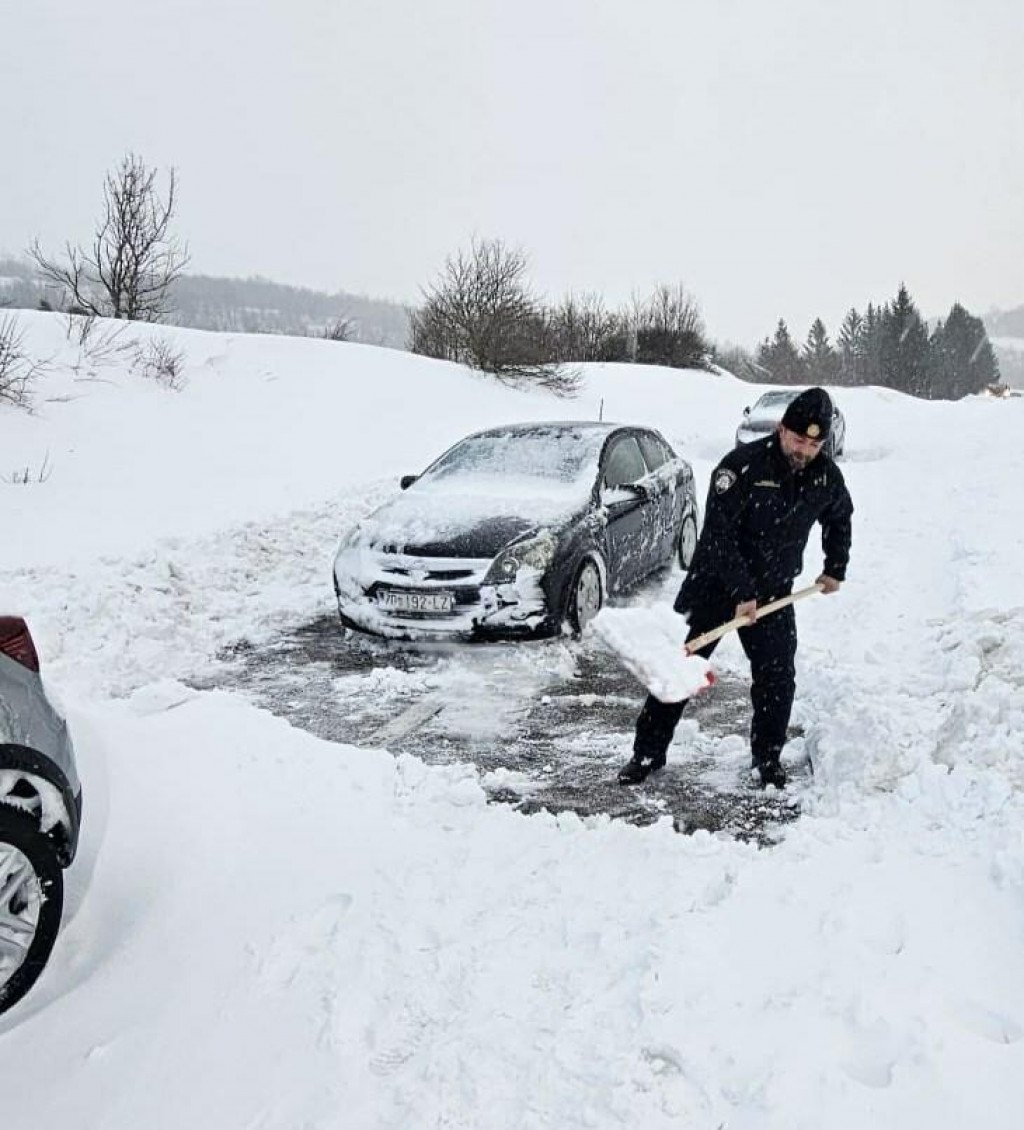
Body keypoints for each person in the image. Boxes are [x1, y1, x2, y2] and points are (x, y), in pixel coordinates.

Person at [617, 387, 854, 789]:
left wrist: (835, 566)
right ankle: (646, 754)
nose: (805, 450)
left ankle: (767, 759)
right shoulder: (741, 468)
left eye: (815, 444)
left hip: (776, 592)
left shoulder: (824, 475)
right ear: (781, 430)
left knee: (777, 679)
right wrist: (742, 590)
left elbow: (840, 516)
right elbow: (717, 538)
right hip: (717, 586)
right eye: (799, 440)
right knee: (680, 669)